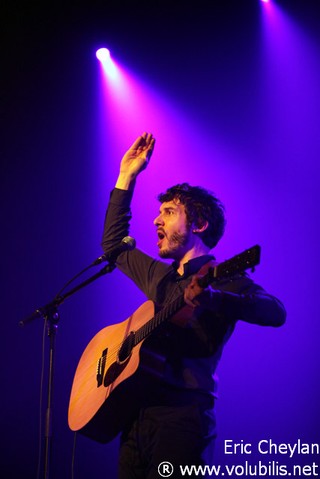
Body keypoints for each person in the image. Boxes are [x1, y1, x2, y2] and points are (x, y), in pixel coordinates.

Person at [101, 132, 286, 478]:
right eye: (159, 213)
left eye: (169, 213)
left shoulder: (225, 278)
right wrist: (127, 176)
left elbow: (276, 311)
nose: (156, 220)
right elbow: (113, 245)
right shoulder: (161, 277)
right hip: (136, 417)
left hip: (183, 420)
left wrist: (214, 297)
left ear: (199, 225)